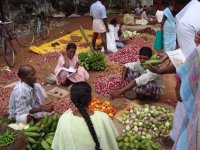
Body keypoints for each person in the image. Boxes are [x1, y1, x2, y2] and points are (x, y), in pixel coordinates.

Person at [150, 0, 200, 149]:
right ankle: (174, 137)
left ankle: (177, 140)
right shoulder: (195, 9)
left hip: (194, 84)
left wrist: (178, 78)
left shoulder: (185, 22)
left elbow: (192, 63)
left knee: (186, 105)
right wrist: (168, 55)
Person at [51, 82, 119, 150]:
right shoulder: (103, 118)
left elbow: (57, 146)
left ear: (72, 100)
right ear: (90, 99)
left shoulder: (64, 120)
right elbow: (114, 138)